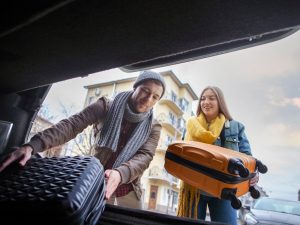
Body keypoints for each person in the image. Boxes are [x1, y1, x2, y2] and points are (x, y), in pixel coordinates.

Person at [0, 70, 166, 210]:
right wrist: (32, 146)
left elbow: (145, 156)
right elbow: (72, 125)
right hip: (96, 180)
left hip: (129, 187)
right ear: (135, 87)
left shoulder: (154, 126)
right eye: (145, 90)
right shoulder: (106, 106)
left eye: (155, 97)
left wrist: (121, 173)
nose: (148, 99)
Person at [177, 86, 259, 225]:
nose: (205, 102)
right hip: (194, 190)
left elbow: (247, 157)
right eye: (202, 99)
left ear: (220, 101)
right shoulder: (191, 125)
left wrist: (253, 172)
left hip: (226, 192)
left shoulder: (236, 127)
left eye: (211, 98)